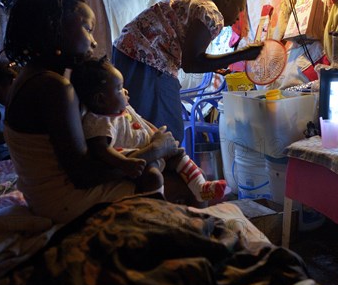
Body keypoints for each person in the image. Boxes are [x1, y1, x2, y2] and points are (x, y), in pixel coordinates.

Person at [2, 0, 194, 224]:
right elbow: (83, 175)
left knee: (164, 173)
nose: (93, 41)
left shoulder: (35, 75)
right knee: (180, 186)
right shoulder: (54, 88)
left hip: (42, 196)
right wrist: (154, 150)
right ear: (56, 27)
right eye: (87, 28)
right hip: (63, 200)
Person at [112, 0, 263, 145]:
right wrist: (243, 54)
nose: (238, 17)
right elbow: (191, 64)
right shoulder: (212, 14)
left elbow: (191, 56)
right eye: (239, 8)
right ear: (227, 0)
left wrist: (214, 64)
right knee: (168, 133)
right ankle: (159, 169)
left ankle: (146, 166)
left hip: (127, 51)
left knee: (139, 126)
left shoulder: (198, 3)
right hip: (146, 59)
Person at [70, 57, 228, 202]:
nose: (125, 91)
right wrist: (124, 163)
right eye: (119, 89)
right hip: (139, 162)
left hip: (152, 152)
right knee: (153, 177)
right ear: (100, 99)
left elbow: (142, 123)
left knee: (180, 156)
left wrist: (158, 135)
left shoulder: (120, 109)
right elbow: (101, 149)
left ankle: (200, 186)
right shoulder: (99, 121)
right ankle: (157, 207)